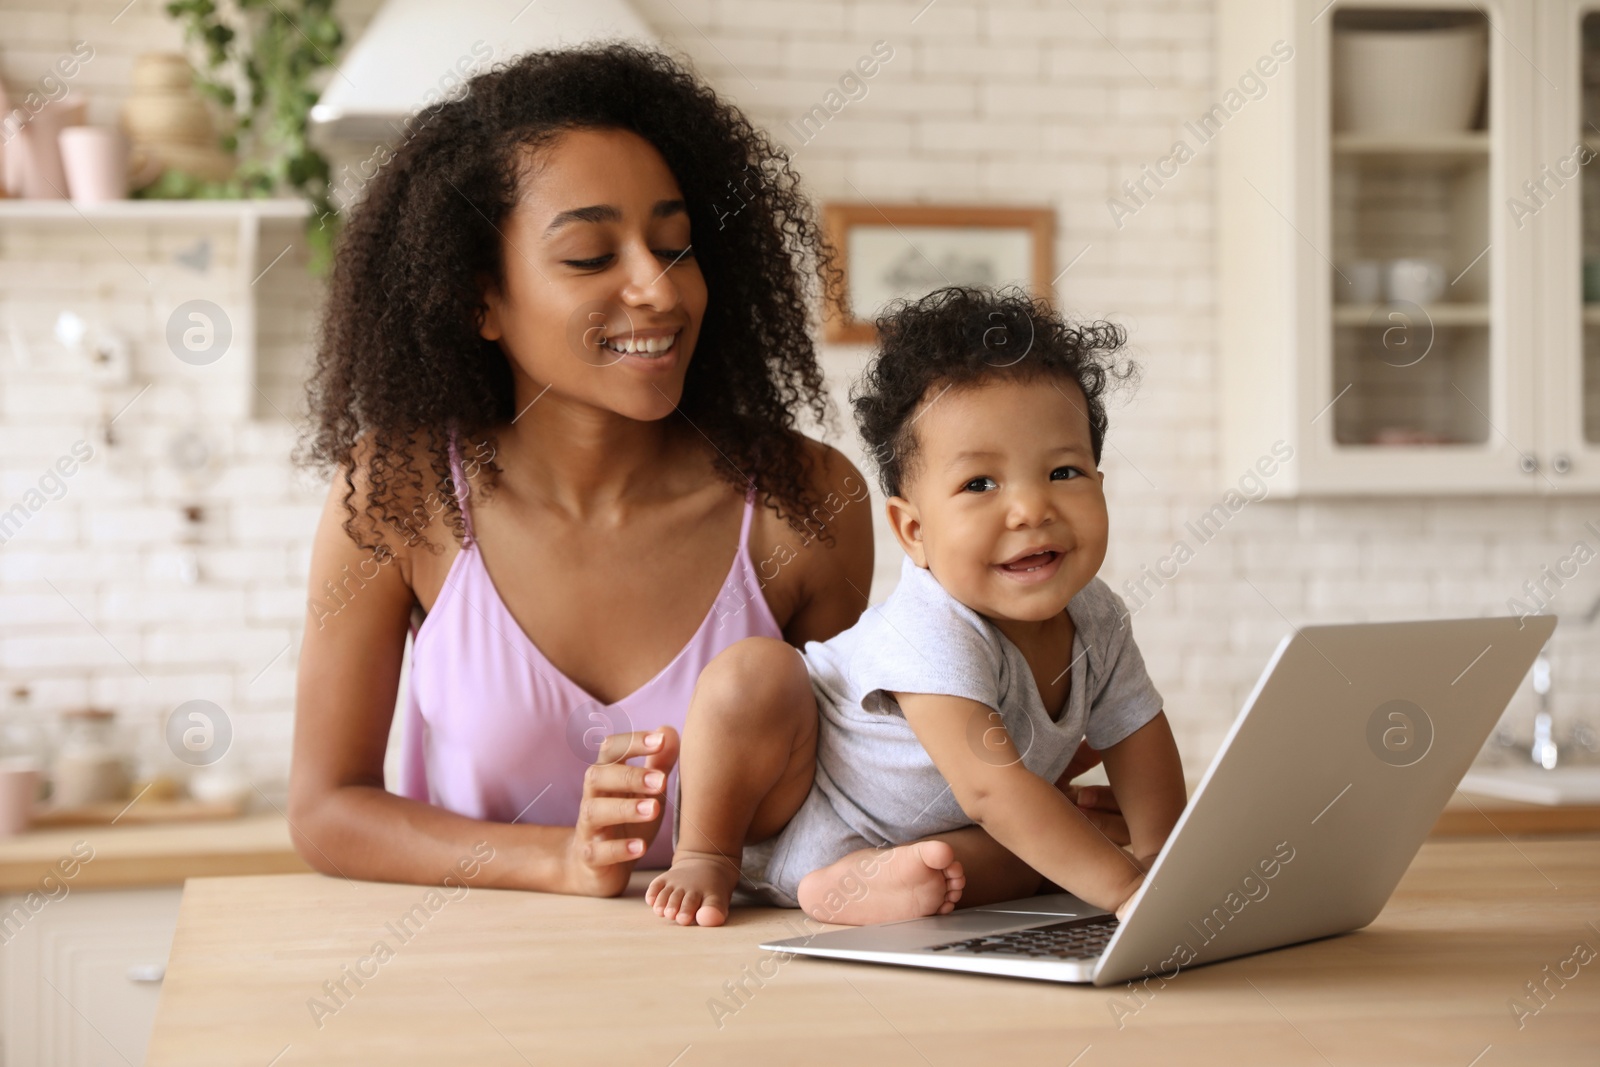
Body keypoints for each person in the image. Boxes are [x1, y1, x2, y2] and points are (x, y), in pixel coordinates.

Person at [289, 46, 1122, 896]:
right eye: (589, 257)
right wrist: (559, 861)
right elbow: (328, 809)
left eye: (676, 246)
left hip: (745, 977)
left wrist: (1039, 820)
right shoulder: (399, 494)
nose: (659, 288)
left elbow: (857, 801)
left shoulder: (805, 505)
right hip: (477, 988)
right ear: (479, 300)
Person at [647, 287, 1187, 927]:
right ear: (913, 532)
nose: (1031, 509)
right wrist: (1130, 893)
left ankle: (860, 886)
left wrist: (1163, 860)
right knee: (754, 672)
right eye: (979, 484)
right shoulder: (932, 627)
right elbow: (989, 787)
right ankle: (707, 851)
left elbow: (1139, 739)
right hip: (798, 798)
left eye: (1063, 472)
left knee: (1051, 842)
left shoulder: (1100, 619)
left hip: (928, 839)